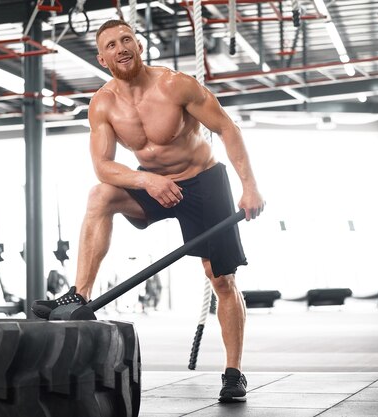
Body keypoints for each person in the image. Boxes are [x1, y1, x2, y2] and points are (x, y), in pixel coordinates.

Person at [32, 19, 265, 403]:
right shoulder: (103, 104)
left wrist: (250, 186)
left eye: (126, 39)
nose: (121, 47)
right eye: (111, 44)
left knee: (221, 279)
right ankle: (79, 293)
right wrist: (148, 182)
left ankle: (234, 372)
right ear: (102, 57)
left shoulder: (175, 85)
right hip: (153, 185)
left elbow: (226, 128)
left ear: (138, 45)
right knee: (99, 195)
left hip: (204, 183)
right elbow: (103, 166)